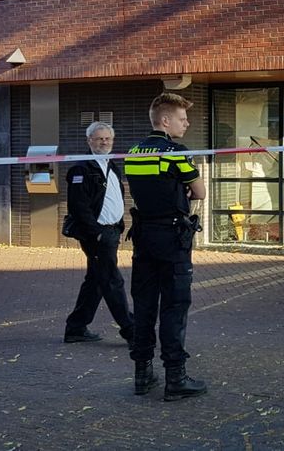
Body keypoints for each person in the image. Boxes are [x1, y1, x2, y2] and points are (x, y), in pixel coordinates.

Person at [124, 92, 208, 401]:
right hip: (172, 238)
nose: (186, 124)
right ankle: (176, 378)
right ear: (165, 120)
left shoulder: (133, 153)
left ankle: (142, 375)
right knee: (174, 306)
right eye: (182, 119)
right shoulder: (175, 152)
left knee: (144, 305)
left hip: (143, 237)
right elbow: (198, 191)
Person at [63, 122, 134, 346]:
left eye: (108, 139)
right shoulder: (81, 169)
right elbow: (78, 206)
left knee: (96, 280)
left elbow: (116, 196)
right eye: (99, 138)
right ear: (89, 141)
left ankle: (76, 327)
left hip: (111, 230)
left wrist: (119, 225)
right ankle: (131, 330)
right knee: (112, 280)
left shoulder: (112, 165)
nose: (104, 142)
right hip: (97, 235)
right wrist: (96, 234)